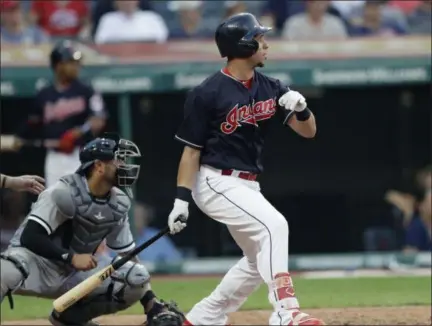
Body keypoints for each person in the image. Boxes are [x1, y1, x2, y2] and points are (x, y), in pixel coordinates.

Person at [167, 12, 323, 326]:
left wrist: (302, 109)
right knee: (275, 226)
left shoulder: (271, 86)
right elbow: (190, 152)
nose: (265, 44)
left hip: (248, 184)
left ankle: (203, 317)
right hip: (214, 180)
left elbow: (309, 132)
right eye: (259, 38)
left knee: (256, 261)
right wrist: (181, 200)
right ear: (242, 45)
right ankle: (286, 312)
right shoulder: (207, 93)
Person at [0, 134, 185, 326]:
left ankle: (70, 319)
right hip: (36, 266)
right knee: (4, 269)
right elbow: (29, 237)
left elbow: (128, 254)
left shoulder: (119, 202)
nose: (123, 165)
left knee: (136, 276)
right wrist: (70, 257)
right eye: (118, 160)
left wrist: (151, 303)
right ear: (99, 166)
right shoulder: (62, 192)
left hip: (75, 274)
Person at [16, 40, 107, 188]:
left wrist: (76, 133)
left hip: (81, 154)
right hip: (54, 155)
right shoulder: (45, 94)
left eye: (77, 62)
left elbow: (98, 119)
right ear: (58, 65)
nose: (76, 66)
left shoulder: (86, 90)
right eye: (71, 62)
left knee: (82, 203)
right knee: (56, 201)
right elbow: (34, 122)